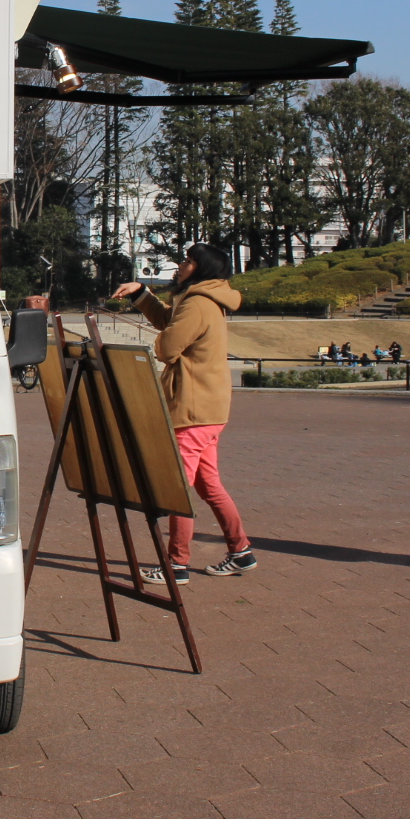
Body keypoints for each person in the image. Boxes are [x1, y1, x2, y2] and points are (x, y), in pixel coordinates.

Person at [115, 243, 255, 586]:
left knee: (178, 489)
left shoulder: (197, 302)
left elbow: (167, 348)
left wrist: (164, 340)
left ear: (202, 269)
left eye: (189, 261)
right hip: (208, 408)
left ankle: (176, 564)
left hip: (192, 408)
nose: (181, 265)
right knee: (209, 485)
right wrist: (142, 293)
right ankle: (241, 551)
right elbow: (169, 321)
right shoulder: (204, 298)